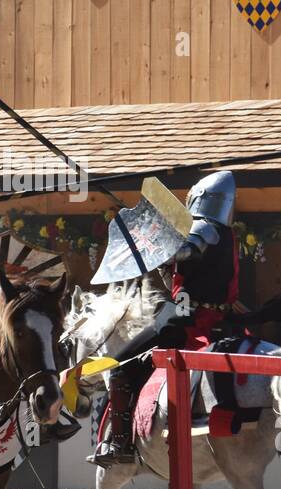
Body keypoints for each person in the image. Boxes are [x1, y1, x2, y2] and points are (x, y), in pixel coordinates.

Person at [92, 170, 241, 467]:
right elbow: (180, 271)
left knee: (119, 366)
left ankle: (119, 442)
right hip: (223, 322)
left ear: (198, 200)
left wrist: (154, 240)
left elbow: (185, 252)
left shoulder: (205, 229)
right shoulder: (227, 235)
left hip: (185, 322)